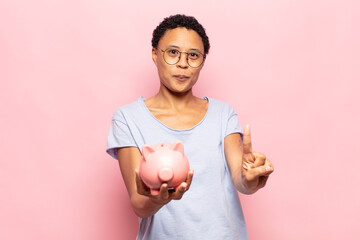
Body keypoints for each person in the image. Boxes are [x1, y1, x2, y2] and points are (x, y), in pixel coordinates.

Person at [107, 14, 274, 240]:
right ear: (156, 54)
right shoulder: (128, 119)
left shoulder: (223, 114)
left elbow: (240, 179)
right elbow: (139, 204)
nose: (183, 63)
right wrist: (158, 199)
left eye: (193, 55)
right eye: (173, 53)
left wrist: (250, 178)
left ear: (202, 61)